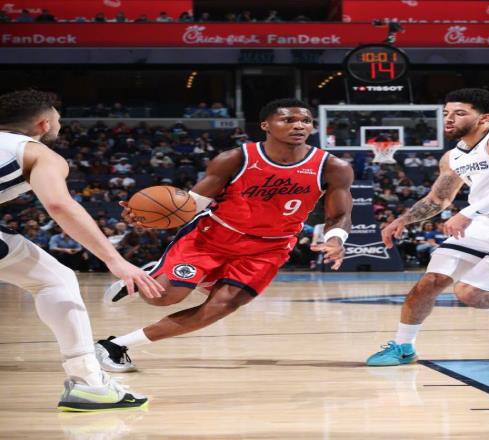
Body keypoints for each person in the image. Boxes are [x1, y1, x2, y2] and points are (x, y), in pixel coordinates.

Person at [95, 98, 354, 372]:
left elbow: (339, 214)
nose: (299, 126)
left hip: (269, 248)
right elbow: (191, 204)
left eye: (306, 121)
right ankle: (152, 274)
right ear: (265, 125)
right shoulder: (235, 159)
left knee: (224, 305)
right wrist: (145, 217)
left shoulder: (333, 167)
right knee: (162, 297)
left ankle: (116, 345)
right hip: (213, 237)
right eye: (288, 120)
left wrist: (336, 238)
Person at [0, 90, 163, 410]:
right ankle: (89, 384)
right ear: (44, 124)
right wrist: (115, 260)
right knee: (54, 280)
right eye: (59, 119)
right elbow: (60, 205)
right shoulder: (37, 153)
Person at [367, 88, 489, 366]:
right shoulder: (452, 157)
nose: (449, 119)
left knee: (469, 293)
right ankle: (404, 347)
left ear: (484, 118)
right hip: (483, 223)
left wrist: (468, 211)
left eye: (459, 113)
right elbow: (438, 199)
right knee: (431, 281)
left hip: (478, 216)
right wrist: (402, 220)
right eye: (446, 113)